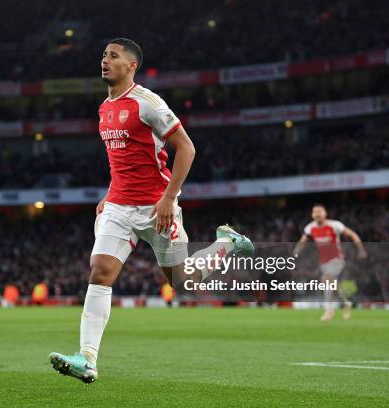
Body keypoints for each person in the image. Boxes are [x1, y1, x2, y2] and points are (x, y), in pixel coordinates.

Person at [49, 38, 253, 383]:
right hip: (118, 206)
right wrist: (108, 195)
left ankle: (227, 243)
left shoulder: (148, 103)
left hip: (157, 206)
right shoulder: (104, 108)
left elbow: (186, 148)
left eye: (113, 56)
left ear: (132, 65)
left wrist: (169, 199)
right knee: (100, 271)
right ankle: (86, 359)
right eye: (103, 55)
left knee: (182, 280)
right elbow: (123, 162)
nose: (104, 60)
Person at [293, 203, 367, 321]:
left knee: (326, 279)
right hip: (324, 262)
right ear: (312, 215)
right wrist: (296, 252)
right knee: (333, 285)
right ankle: (346, 303)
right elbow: (303, 241)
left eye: (319, 211)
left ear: (325, 214)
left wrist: (361, 249)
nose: (317, 214)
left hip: (337, 259)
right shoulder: (310, 228)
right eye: (315, 212)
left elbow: (353, 235)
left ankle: (329, 310)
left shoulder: (335, 225)